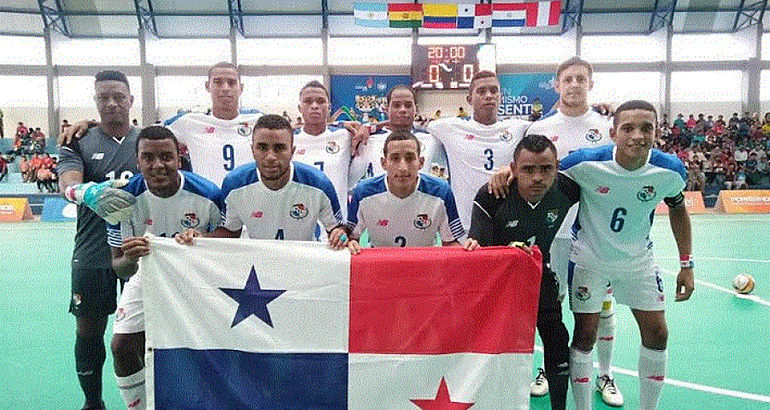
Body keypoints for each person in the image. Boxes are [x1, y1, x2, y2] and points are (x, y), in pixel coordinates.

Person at [487, 57, 623, 405]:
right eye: (567, 79)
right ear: (557, 85)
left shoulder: (608, 125)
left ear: (590, 83)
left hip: (591, 232)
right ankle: (546, 367)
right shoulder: (541, 127)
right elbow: (517, 163)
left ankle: (605, 373)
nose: (574, 85)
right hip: (552, 233)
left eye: (581, 78)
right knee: (550, 304)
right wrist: (505, 170)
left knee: (601, 307)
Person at [560, 100, 694, 410]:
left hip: (638, 262)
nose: (637, 135)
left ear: (656, 132)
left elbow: (677, 208)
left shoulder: (669, 170)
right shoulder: (584, 163)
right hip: (589, 261)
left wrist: (687, 264)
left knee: (658, 333)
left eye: (647, 128)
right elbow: (541, 172)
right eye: (628, 128)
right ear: (613, 133)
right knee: (584, 335)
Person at [108, 126, 222, 410]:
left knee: (205, 350)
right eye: (148, 157)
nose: (158, 165)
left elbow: (228, 246)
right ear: (137, 161)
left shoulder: (208, 194)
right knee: (122, 346)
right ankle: (138, 405)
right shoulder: (121, 202)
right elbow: (118, 267)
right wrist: (130, 258)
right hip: (146, 277)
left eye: (166, 157)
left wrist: (203, 240)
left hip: (200, 280)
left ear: (179, 159)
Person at [464, 134, 578, 410]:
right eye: (528, 169)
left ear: (557, 167)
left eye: (546, 169)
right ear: (513, 169)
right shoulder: (493, 195)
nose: (538, 177)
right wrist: (510, 252)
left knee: (557, 337)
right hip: (497, 284)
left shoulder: (569, 189)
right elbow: (477, 251)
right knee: (490, 347)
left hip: (539, 275)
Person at [58, 69, 141, 410]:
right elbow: (68, 186)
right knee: (89, 332)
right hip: (93, 254)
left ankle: (146, 398)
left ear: (131, 100)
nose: (111, 104)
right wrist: (88, 192)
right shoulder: (77, 141)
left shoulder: (148, 139)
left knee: (138, 335)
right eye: (103, 97)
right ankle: (93, 403)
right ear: (95, 101)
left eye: (118, 97)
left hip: (139, 252)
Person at [61, 62, 262, 187]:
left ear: (241, 87)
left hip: (250, 206)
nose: (225, 88)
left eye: (231, 82)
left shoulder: (259, 122)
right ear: (207, 86)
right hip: (210, 205)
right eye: (218, 82)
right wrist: (92, 124)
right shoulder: (187, 122)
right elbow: (144, 134)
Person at [176, 114, 348, 248]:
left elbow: (337, 230)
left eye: (279, 148)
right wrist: (200, 238)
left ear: (292, 150)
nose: (271, 156)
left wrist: (341, 236)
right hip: (259, 266)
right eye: (262, 147)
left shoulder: (318, 184)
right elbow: (230, 231)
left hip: (304, 266)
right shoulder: (235, 184)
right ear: (252, 149)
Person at [426, 70, 530, 235]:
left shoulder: (519, 128)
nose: (489, 96)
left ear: (500, 97)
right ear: (469, 99)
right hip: (465, 224)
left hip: (508, 222)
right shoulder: (448, 127)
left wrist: (513, 169)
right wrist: (370, 128)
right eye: (481, 91)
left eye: (494, 91)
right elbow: (410, 126)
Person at [347, 129, 464, 253]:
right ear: (384, 163)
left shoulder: (441, 192)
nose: (403, 167)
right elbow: (350, 237)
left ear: (421, 162)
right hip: (381, 267)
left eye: (410, 158)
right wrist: (348, 242)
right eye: (395, 158)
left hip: (425, 267)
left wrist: (468, 248)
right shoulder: (364, 192)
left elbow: (451, 242)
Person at [349, 85, 442, 189]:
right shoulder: (369, 141)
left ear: (416, 109)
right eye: (396, 105)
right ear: (386, 109)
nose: (402, 110)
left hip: (420, 202)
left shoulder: (432, 140)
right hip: (382, 203)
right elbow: (350, 181)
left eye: (408, 105)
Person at [292, 80, 352, 220]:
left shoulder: (345, 135)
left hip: (336, 225)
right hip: (298, 218)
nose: (314, 106)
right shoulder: (289, 139)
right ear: (300, 108)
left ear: (329, 107)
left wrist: (343, 124)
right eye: (308, 101)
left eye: (320, 101)